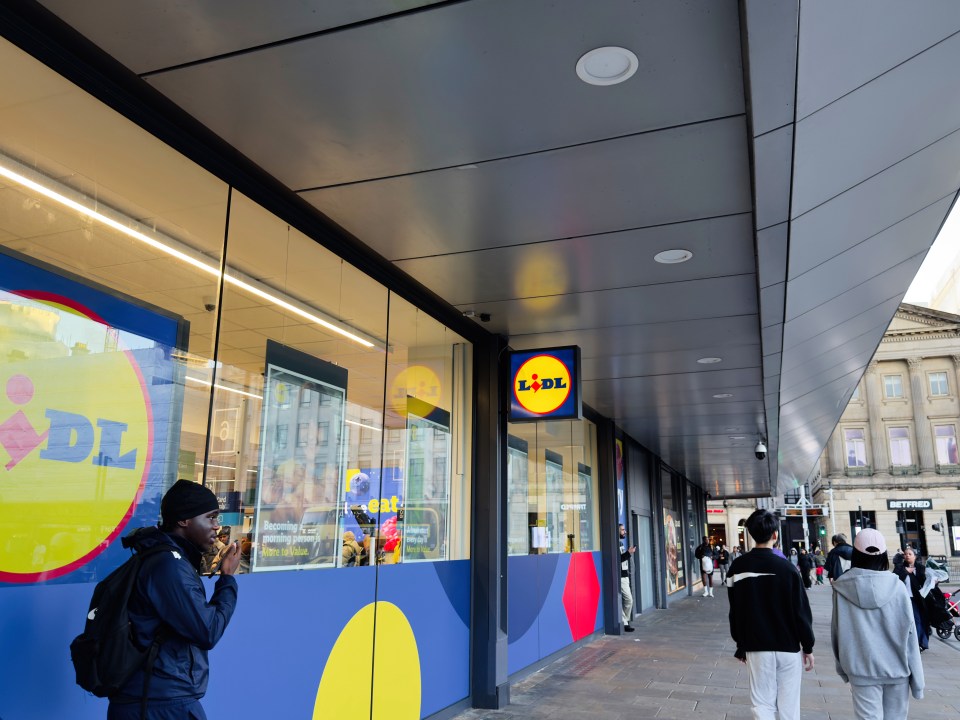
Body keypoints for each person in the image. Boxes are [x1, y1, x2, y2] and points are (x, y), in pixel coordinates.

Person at [108, 479, 240, 720]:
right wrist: (227, 579)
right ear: (184, 520)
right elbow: (207, 631)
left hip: (154, 698)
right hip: (159, 703)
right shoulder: (169, 565)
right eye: (210, 517)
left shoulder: (166, 559)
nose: (217, 527)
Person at [727, 509, 815, 720]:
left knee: (762, 704)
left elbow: (735, 611)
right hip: (788, 646)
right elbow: (801, 612)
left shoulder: (737, 567)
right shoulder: (788, 568)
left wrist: (741, 644)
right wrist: (808, 646)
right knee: (789, 706)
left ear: (750, 533)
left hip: (757, 647)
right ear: (775, 535)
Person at [831, 528, 924, 718]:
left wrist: (843, 668)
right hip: (897, 669)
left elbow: (837, 631)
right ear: (883, 555)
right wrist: (918, 683)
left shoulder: (841, 588)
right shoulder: (897, 586)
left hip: (861, 669)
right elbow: (910, 633)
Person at [893, 546, 929, 652]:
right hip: (905, 598)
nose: (907, 556)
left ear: (915, 556)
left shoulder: (921, 568)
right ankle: (916, 643)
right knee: (912, 620)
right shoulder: (900, 567)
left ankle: (920, 642)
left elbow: (924, 582)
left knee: (920, 620)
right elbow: (895, 578)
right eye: (905, 554)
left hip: (919, 598)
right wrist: (906, 571)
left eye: (909, 554)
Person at [618, 524, 636, 631]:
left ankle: (625, 621)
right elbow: (618, 559)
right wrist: (628, 553)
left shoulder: (620, 543)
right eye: (622, 530)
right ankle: (625, 622)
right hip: (620, 576)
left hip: (625, 575)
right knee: (628, 600)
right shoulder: (615, 544)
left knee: (628, 600)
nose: (625, 532)